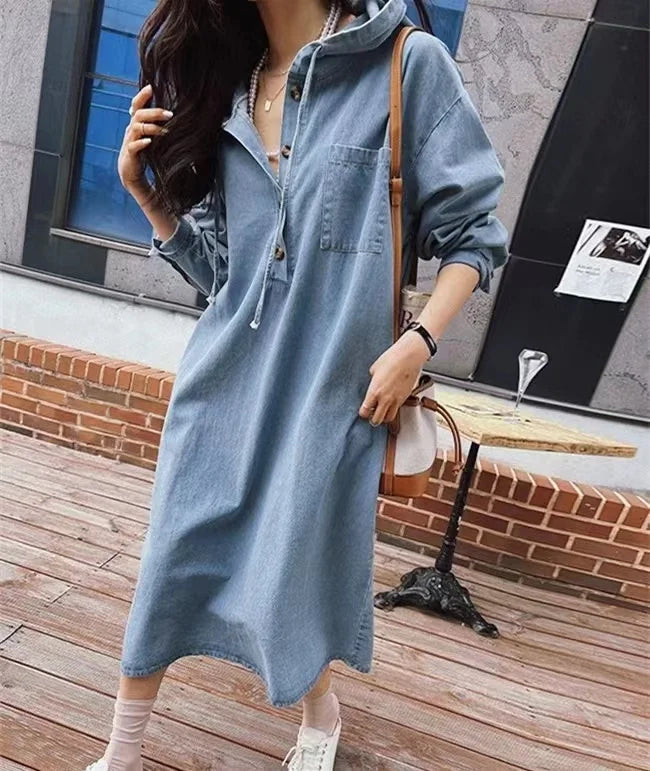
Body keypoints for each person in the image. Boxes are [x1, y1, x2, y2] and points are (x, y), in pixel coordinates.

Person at [85, 0, 509, 769]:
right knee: (173, 556)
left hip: (331, 396)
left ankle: (321, 712)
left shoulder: (406, 65)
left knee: (291, 570)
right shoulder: (234, 87)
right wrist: (147, 195)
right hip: (221, 390)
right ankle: (121, 751)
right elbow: (226, 277)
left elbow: (474, 237)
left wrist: (417, 343)